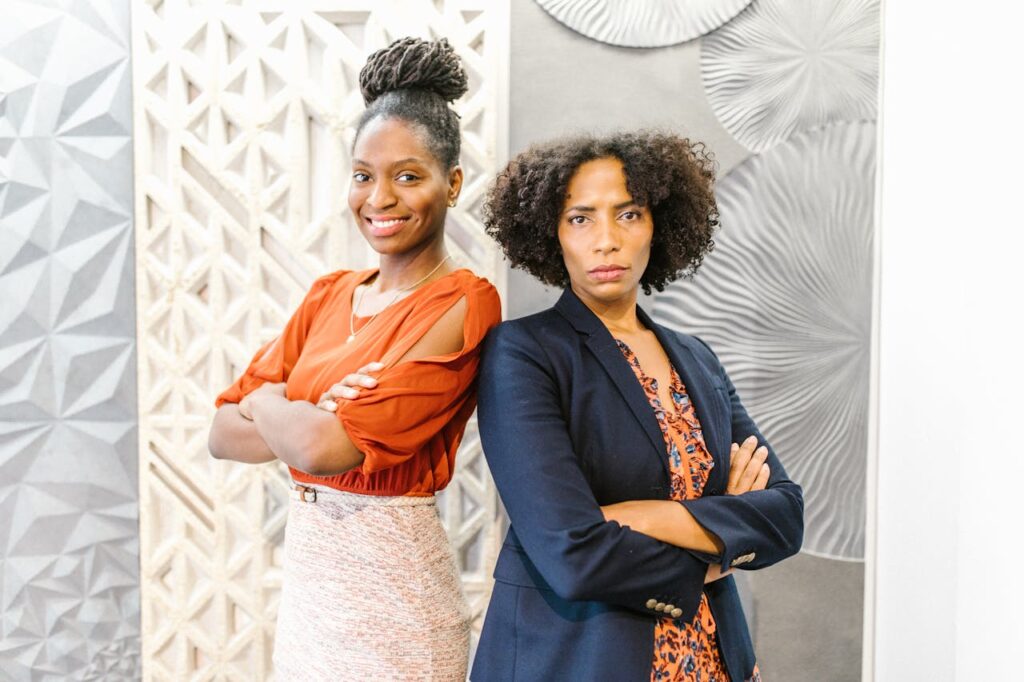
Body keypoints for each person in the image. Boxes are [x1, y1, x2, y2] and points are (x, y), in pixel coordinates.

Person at [207, 37, 501, 681]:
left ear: (451, 183)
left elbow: (324, 452)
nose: (380, 198)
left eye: (408, 175)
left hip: (394, 605)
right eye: (364, 175)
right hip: (310, 598)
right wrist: (297, 413)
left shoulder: (463, 302)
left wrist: (268, 400)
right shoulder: (329, 293)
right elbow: (223, 434)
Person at [471, 131, 803, 681]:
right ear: (552, 234)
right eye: (581, 218)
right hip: (580, 659)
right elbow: (572, 555)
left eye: (628, 215)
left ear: (659, 225)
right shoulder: (523, 354)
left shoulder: (697, 359)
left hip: (713, 662)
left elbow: (784, 515)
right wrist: (719, 546)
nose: (607, 240)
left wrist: (636, 517)